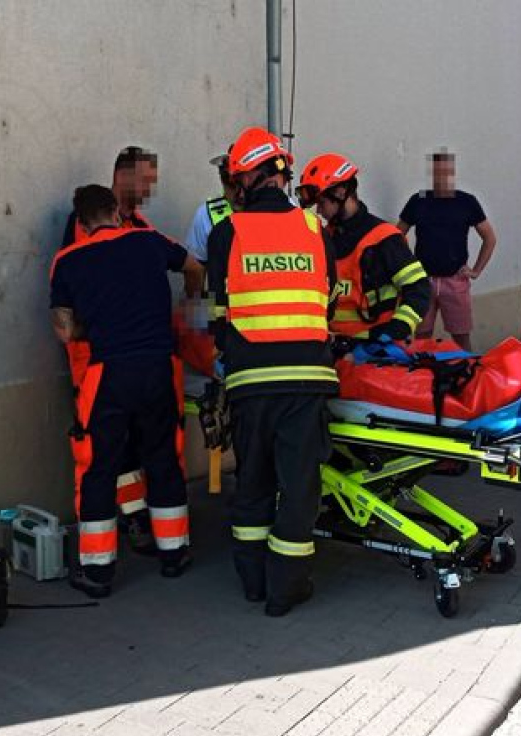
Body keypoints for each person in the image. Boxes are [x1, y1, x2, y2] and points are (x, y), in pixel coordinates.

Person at [206, 127, 339, 617]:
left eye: (235, 178)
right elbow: (329, 298)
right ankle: (286, 587)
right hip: (305, 382)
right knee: (299, 486)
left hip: (248, 384)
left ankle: (253, 581)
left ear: (249, 178)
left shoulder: (227, 234)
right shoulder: (314, 231)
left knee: (254, 483)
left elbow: (219, 314)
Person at [50, 185, 202, 597]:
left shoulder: (67, 261)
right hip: (160, 366)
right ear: (117, 211)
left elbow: (64, 329)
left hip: (108, 372)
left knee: (99, 466)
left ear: (81, 224)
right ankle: (174, 554)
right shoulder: (149, 241)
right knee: (163, 457)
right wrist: (187, 307)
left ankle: (98, 573)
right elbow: (194, 267)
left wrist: (96, 325)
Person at [60, 147, 161, 553]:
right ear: (121, 177)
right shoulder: (85, 226)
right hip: (94, 363)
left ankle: (134, 517)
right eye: (145, 180)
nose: (149, 190)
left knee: (132, 446)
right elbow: (82, 289)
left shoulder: (138, 225)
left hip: (130, 358)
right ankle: (106, 540)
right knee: (104, 453)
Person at [296, 153, 430, 342]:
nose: (318, 211)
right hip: (334, 350)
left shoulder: (385, 238)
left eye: (322, 203)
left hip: (374, 353)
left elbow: (419, 289)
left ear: (341, 192)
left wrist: (396, 330)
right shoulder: (323, 239)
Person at [398, 150, 496, 351]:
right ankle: (423, 376)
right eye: (437, 172)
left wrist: (476, 270)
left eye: (446, 172)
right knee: (422, 335)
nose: (441, 177)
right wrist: (408, 268)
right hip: (423, 280)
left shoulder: (466, 201)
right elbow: (396, 235)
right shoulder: (419, 200)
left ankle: (468, 373)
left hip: (455, 280)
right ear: (432, 173)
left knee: (461, 336)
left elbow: (489, 238)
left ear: (452, 173)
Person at [182, 150, 240, 296]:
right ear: (221, 180)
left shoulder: (283, 208)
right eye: (230, 183)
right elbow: (195, 276)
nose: (238, 192)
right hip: (225, 311)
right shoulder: (206, 214)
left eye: (241, 181)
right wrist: (205, 317)